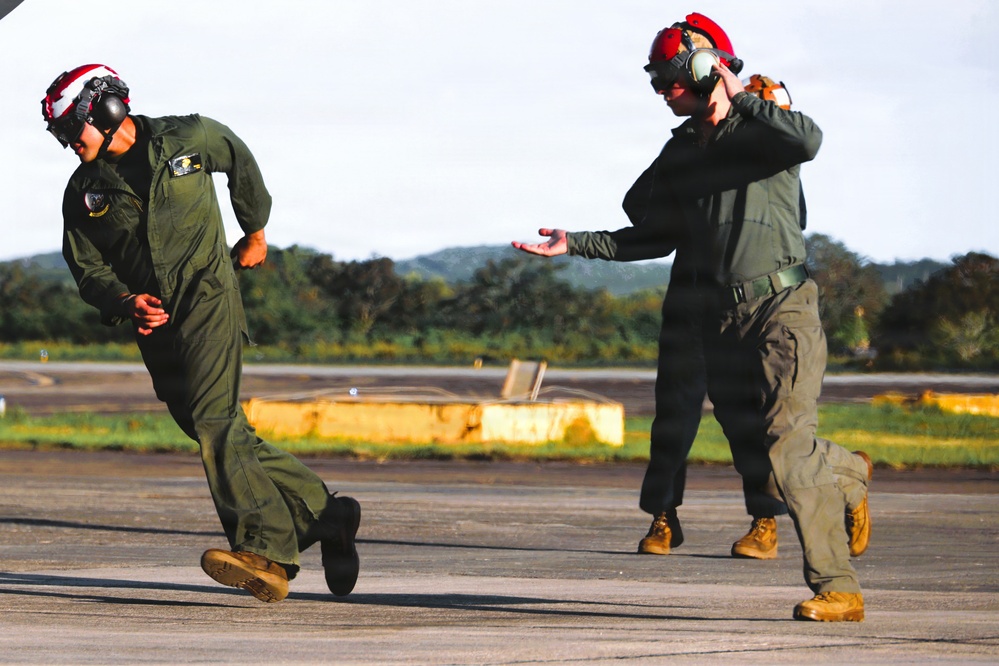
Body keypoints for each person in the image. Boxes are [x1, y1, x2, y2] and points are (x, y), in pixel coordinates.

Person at [513, 13, 872, 622]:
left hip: (782, 308)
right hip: (721, 319)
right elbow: (654, 235)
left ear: (704, 71)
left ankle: (839, 588)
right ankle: (848, 470)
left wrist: (738, 91)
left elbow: (809, 140)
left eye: (669, 79)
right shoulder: (683, 153)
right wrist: (576, 243)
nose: (660, 92)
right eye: (655, 80)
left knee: (785, 446)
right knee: (767, 448)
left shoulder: (763, 129)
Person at [41, 64, 361, 603]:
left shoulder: (186, 138)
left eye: (74, 131)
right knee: (220, 431)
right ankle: (327, 515)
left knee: (215, 424)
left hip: (209, 300)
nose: (71, 145)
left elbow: (238, 158)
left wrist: (254, 231)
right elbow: (86, 267)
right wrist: (124, 302)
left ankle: (267, 552)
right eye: (63, 137)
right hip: (156, 327)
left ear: (105, 110)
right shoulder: (84, 192)